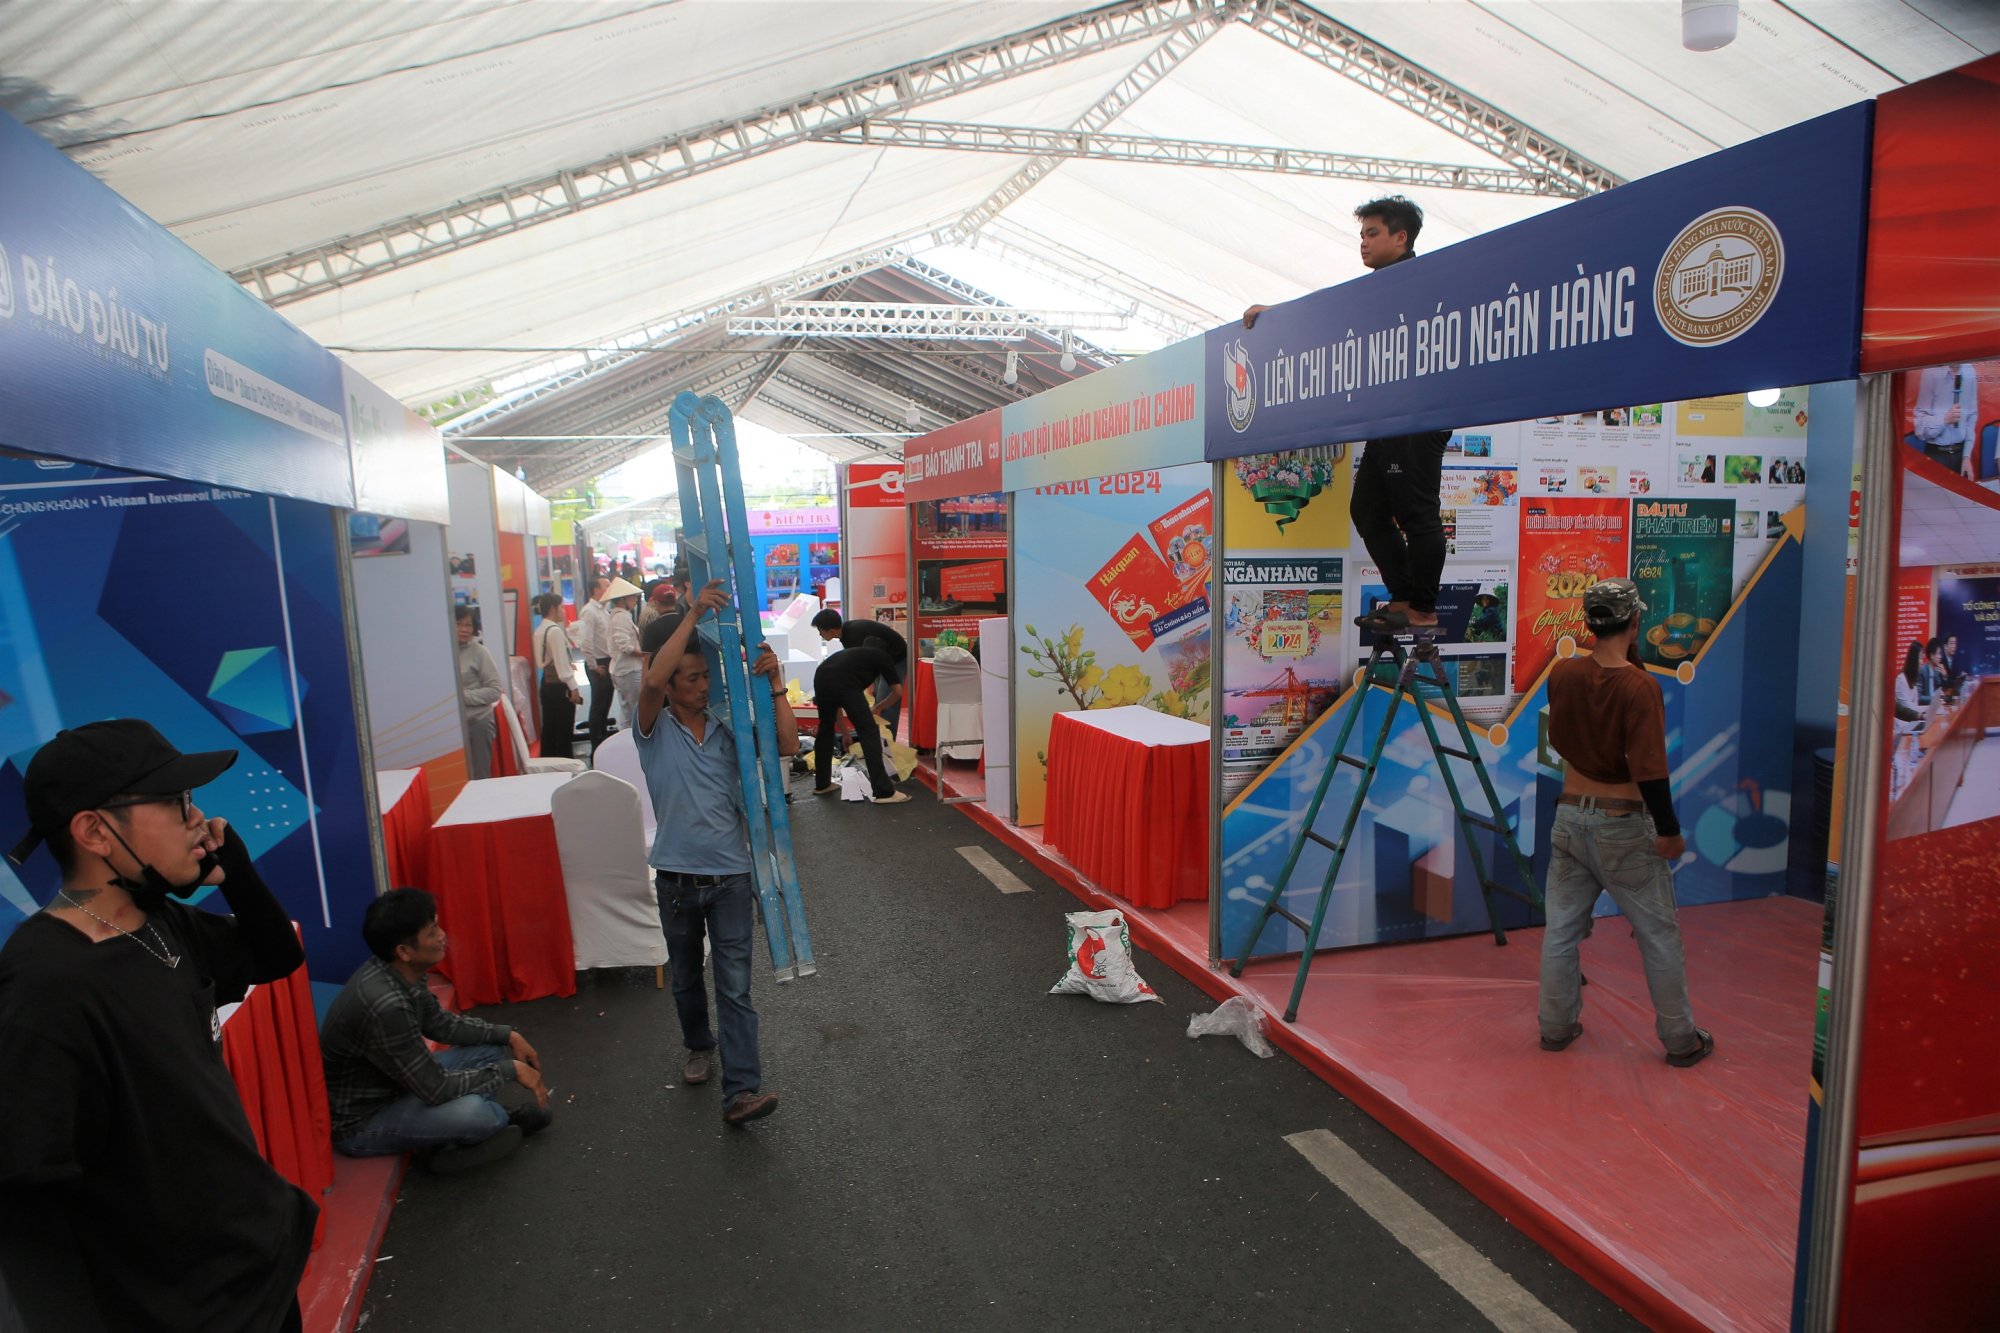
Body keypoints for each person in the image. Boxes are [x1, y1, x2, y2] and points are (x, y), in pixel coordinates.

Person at [0, 720, 317, 1330]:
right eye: (174, 804)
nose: (197, 818)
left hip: (254, 1270)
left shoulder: (156, 924)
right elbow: (26, 1201)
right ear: (94, 830)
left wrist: (238, 872)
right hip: (181, 1309)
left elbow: (276, 956)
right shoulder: (45, 987)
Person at [634, 584, 799, 1126]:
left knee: (734, 988)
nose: (705, 687)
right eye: (694, 678)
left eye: (708, 676)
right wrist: (694, 613)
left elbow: (787, 746)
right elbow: (654, 678)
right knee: (684, 978)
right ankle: (697, 1044)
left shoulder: (728, 729)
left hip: (730, 876)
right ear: (671, 685)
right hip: (677, 880)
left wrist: (775, 686)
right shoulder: (652, 730)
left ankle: (741, 1093)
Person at [1246, 196, 1450, 632]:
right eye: (1361, 234)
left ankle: (1424, 608)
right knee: (1367, 510)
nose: (1363, 242)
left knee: (1418, 516)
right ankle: (1404, 597)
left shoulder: (1424, 279)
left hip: (1418, 414)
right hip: (1385, 418)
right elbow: (1325, 316)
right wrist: (1275, 320)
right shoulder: (1372, 287)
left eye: (1373, 233)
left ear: (1401, 237)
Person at [1537, 579, 1712, 1067]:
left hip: (1569, 819)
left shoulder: (1564, 673)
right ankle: (1680, 1040)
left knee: (1561, 932)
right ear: (1635, 624)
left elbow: (1572, 727)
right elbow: (1651, 771)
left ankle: (1555, 1028)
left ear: (1589, 624)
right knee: (1658, 934)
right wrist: (1670, 832)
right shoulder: (1641, 687)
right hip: (1623, 827)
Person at [320, 888, 551, 1173]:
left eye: (437, 926)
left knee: (490, 1047)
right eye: (432, 932)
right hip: (365, 1121)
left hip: (398, 1086)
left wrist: (507, 1034)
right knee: (476, 1114)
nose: (442, 935)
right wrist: (510, 1071)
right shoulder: (385, 1005)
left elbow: (441, 1025)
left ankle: (449, 1137)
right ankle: (483, 1126)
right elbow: (435, 1088)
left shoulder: (398, 970)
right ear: (404, 951)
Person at [811, 644, 909, 804]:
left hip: (822, 676)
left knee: (825, 729)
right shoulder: (883, 657)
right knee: (869, 731)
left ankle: (822, 784)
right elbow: (898, 692)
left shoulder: (857, 655)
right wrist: (879, 707)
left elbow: (835, 703)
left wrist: (845, 732)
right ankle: (884, 792)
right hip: (844, 683)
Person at [810, 609, 909, 738]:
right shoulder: (846, 635)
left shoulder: (854, 636)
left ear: (831, 631)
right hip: (880, 657)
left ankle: (887, 746)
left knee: (886, 702)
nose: (819, 634)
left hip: (895, 658)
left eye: (820, 630)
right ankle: (878, 738)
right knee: (878, 697)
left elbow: (896, 691)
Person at [456, 605, 504, 780]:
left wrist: (462, 697)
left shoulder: (479, 652)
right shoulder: (441, 653)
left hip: (477, 722)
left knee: (479, 776)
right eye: (459, 624)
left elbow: (495, 690)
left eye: (468, 625)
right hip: (449, 728)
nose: (464, 629)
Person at [533, 592, 582, 762]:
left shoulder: (539, 630)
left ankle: (549, 764)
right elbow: (562, 668)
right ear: (553, 609)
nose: (563, 611)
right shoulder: (554, 631)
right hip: (559, 686)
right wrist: (574, 688)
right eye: (561, 607)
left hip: (546, 684)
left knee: (550, 728)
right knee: (563, 731)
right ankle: (565, 765)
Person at [1911, 362, 1980, 478]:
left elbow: (1971, 416)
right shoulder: (1931, 373)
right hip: (1936, 455)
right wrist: (1944, 420)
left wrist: (1967, 456)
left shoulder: (1969, 371)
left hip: (1960, 454)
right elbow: (1920, 428)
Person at [575, 575, 615, 757]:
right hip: (598, 663)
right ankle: (596, 746)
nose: (609, 588)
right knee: (598, 706)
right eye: (606, 585)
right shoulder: (589, 611)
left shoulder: (604, 610)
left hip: (607, 661)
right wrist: (593, 666)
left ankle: (603, 740)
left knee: (605, 703)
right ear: (596, 590)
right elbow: (586, 641)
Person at [604, 576, 645, 732]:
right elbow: (625, 645)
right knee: (636, 711)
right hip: (629, 670)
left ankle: (628, 743)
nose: (635, 599)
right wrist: (644, 655)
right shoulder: (621, 617)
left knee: (627, 712)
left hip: (623, 669)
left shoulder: (619, 616)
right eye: (632, 597)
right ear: (623, 599)